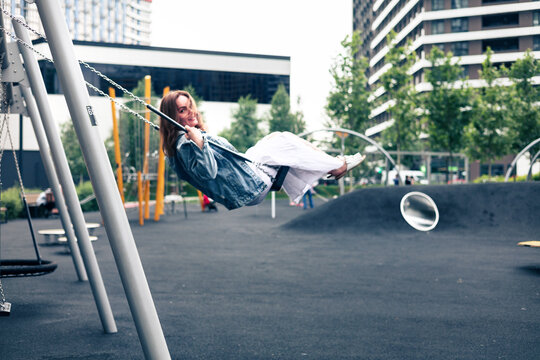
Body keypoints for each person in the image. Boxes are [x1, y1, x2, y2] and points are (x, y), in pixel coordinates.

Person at [159, 90, 365, 210]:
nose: (191, 112)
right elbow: (208, 173)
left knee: (275, 138)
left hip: (245, 179)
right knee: (284, 141)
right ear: (173, 117)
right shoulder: (186, 143)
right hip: (249, 186)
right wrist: (200, 143)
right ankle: (337, 166)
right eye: (182, 110)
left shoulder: (177, 146)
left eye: (190, 106)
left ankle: (332, 166)